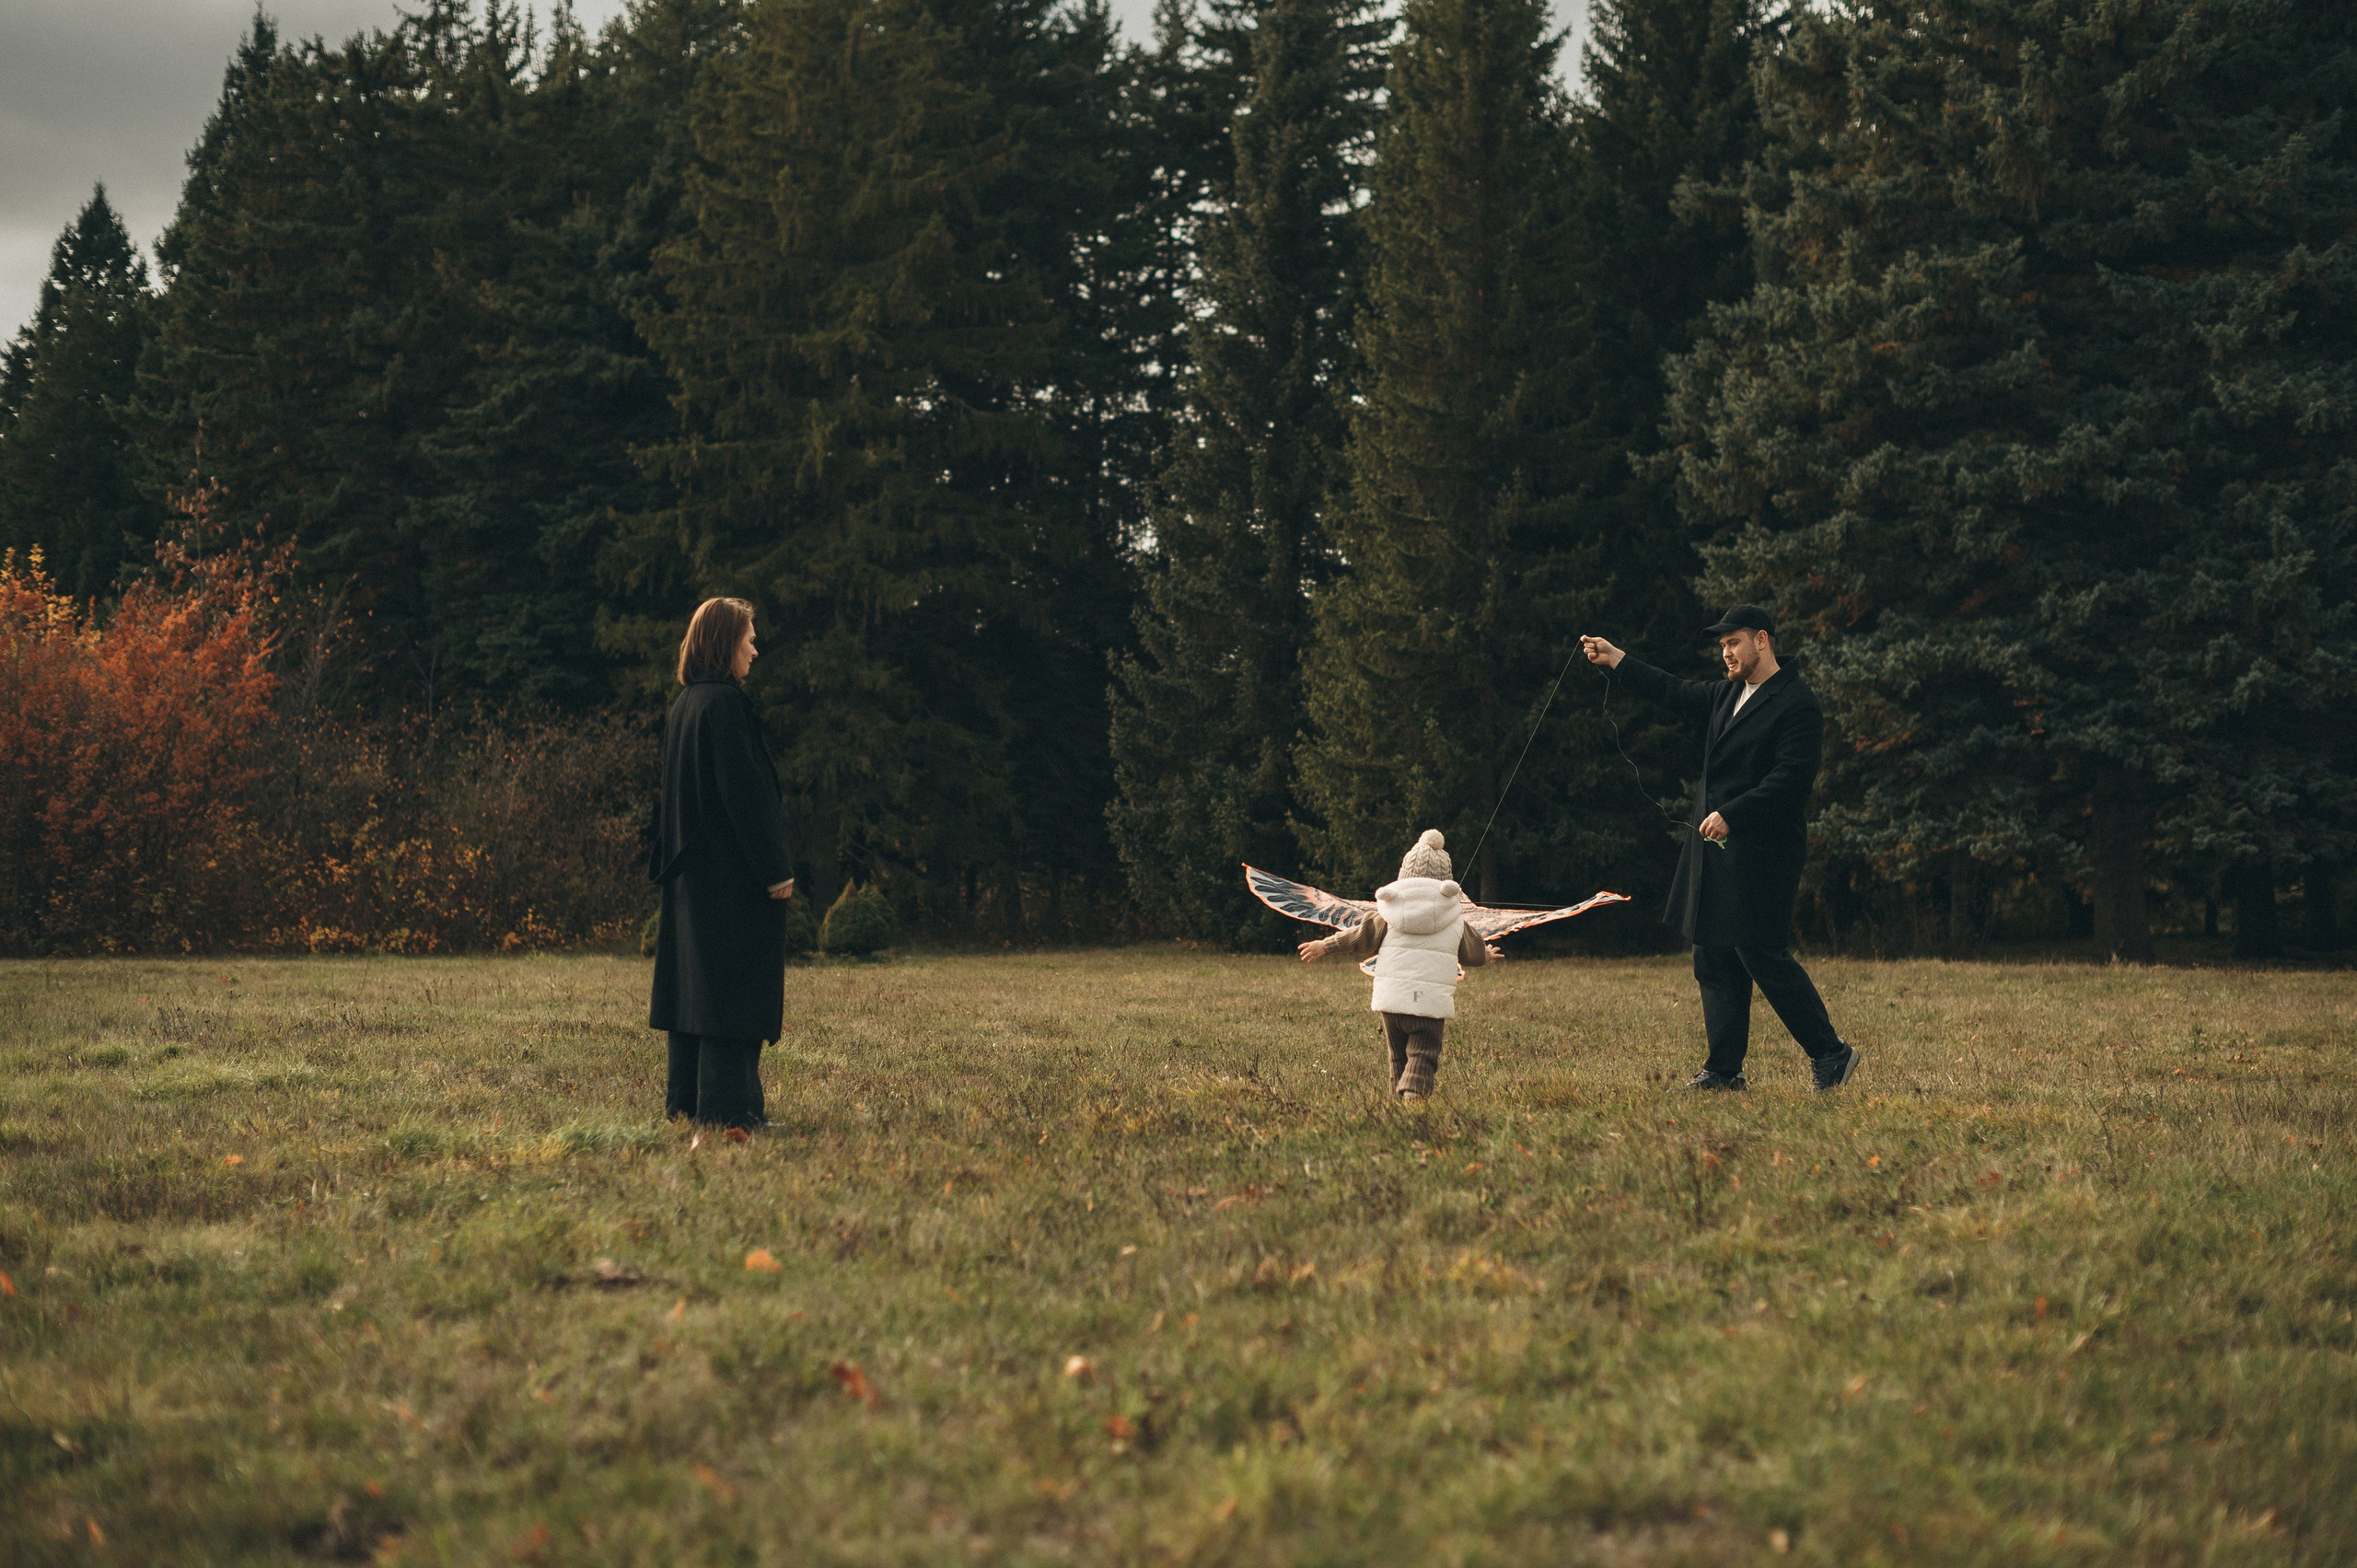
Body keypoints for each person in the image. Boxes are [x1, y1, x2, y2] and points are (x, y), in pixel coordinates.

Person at [1581, 608, 1859, 1091]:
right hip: (1714, 848)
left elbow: (1791, 780)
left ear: (1762, 640)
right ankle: (1724, 1071)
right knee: (1711, 954)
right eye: (1723, 646)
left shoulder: (1797, 703)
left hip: (1763, 851)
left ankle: (1832, 1053)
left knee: (1760, 953)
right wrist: (1617, 659)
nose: (1726, 653)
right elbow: (1672, 690)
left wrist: (1734, 812)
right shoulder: (1727, 693)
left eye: (1734, 643)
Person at [648, 598, 796, 1129]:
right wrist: (775, 871)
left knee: (694, 991)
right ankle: (731, 1113)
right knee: (733, 989)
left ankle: (687, 1104)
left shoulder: (686, 704)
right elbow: (746, 798)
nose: (755, 649)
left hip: (691, 878)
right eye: (748, 639)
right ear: (724, 642)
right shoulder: (726, 705)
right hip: (729, 879)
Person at [1296, 830, 1500, 1104]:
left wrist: (1325, 946)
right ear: (1447, 882)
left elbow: (1358, 938)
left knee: (1398, 1054)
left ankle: (1397, 1099)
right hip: (1429, 1003)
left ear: (1404, 878)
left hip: (1391, 1000)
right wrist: (1487, 955)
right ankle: (1413, 1093)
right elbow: (1472, 954)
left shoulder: (1385, 915)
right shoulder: (1456, 920)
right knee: (1424, 1051)